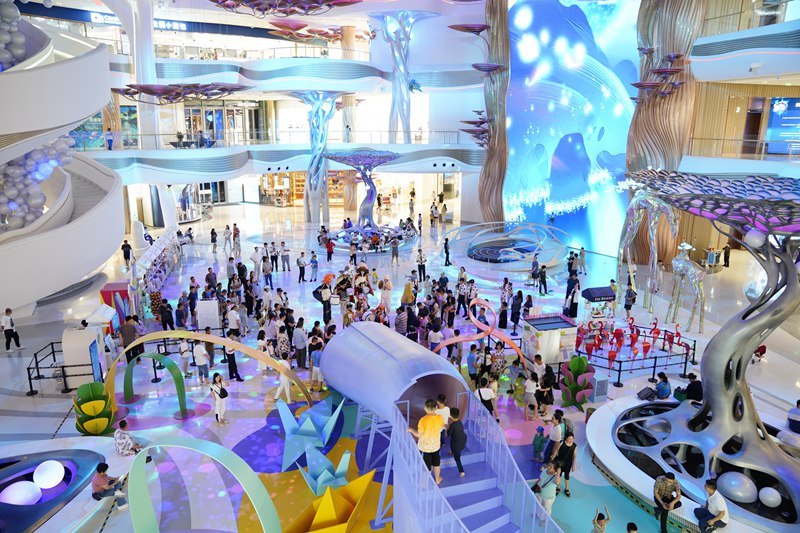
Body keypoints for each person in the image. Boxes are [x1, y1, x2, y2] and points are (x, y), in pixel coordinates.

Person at [406, 399, 444, 484]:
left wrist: (411, 429)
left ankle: (424, 483)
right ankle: (437, 479)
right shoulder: (440, 417)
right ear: (436, 407)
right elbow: (441, 427)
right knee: (436, 463)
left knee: (426, 466)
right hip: (436, 446)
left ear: (425, 408)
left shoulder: (423, 420)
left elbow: (418, 434)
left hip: (425, 448)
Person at [448, 407, 467, 477]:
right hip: (463, 440)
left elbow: (449, 434)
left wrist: (447, 428)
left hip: (457, 445)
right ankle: (452, 451)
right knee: (452, 440)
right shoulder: (460, 422)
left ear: (450, 416)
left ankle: (462, 471)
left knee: (457, 458)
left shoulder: (452, 425)